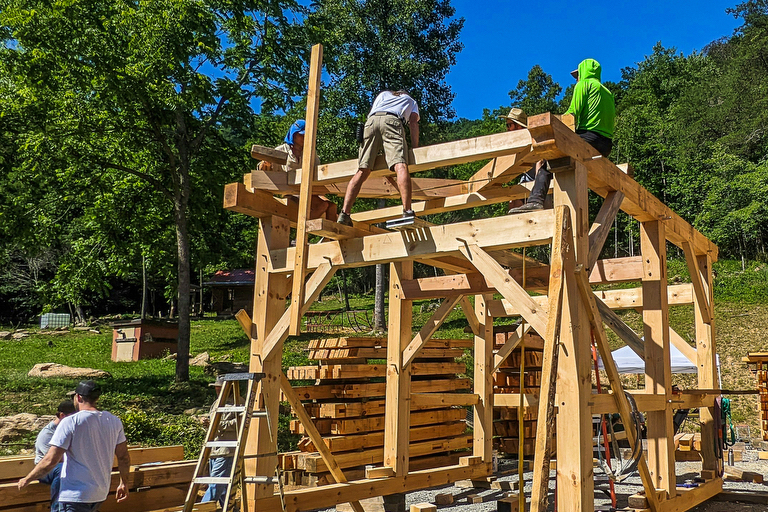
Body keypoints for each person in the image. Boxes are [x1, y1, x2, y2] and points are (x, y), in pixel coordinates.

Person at [509, 58, 615, 213]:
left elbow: (572, 114)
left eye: (578, 75)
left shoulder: (584, 85)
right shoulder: (608, 93)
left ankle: (535, 200)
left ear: (584, 72)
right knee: (570, 164)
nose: (576, 79)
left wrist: (553, 130)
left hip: (589, 138)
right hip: (605, 145)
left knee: (549, 162)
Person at [18, 381, 130, 512]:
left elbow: (51, 460)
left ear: (78, 397)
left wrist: (27, 479)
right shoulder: (113, 421)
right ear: (97, 398)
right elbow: (123, 457)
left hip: (75, 496)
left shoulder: (70, 422)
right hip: (99, 494)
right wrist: (124, 483)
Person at [337, 90, 420, 226]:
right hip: (392, 121)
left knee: (362, 170)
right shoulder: (411, 101)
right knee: (400, 165)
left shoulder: (383, 95)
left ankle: (344, 214)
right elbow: (413, 123)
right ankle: (407, 210)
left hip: (370, 123)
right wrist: (415, 147)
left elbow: (376, 118)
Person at [257, 119, 337, 220]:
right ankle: (302, 231)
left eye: (306, 135)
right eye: (301, 135)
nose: (304, 138)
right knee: (323, 206)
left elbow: (318, 173)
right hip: (291, 192)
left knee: (332, 207)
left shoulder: (310, 153)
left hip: (308, 191)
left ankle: (329, 235)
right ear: (293, 134)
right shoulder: (281, 150)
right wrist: (265, 163)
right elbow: (263, 169)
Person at [500, 108, 548, 211]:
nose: (507, 128)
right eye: (507, 125)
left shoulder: (531, 139)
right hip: (526, 180)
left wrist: (537, 185)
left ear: (518, 126)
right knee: (512, 202)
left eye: (509, 125)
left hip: (538, 180)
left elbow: (540, 161)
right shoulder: (513, 143)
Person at [201, 375, 239, 506]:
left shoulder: (239, 403)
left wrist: (218, 424)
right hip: (214, 449)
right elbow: (212, 421)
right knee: (223, 489)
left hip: (227, 450)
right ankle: (229, 509)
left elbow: (239, 424)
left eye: (220, 388)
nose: (217, 391)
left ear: (229, 389)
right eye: (216, 388)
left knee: (216, 485)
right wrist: (206, 422)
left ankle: (202, 508)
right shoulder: (216, 403)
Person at [34, 400, 76, 512]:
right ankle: (57, 509)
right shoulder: (48, 434)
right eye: (73, 416)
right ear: (62, 415)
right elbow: (53, 460)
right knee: (61, 469)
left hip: (68, 467)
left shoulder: (72, 429)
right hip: (44, 470)